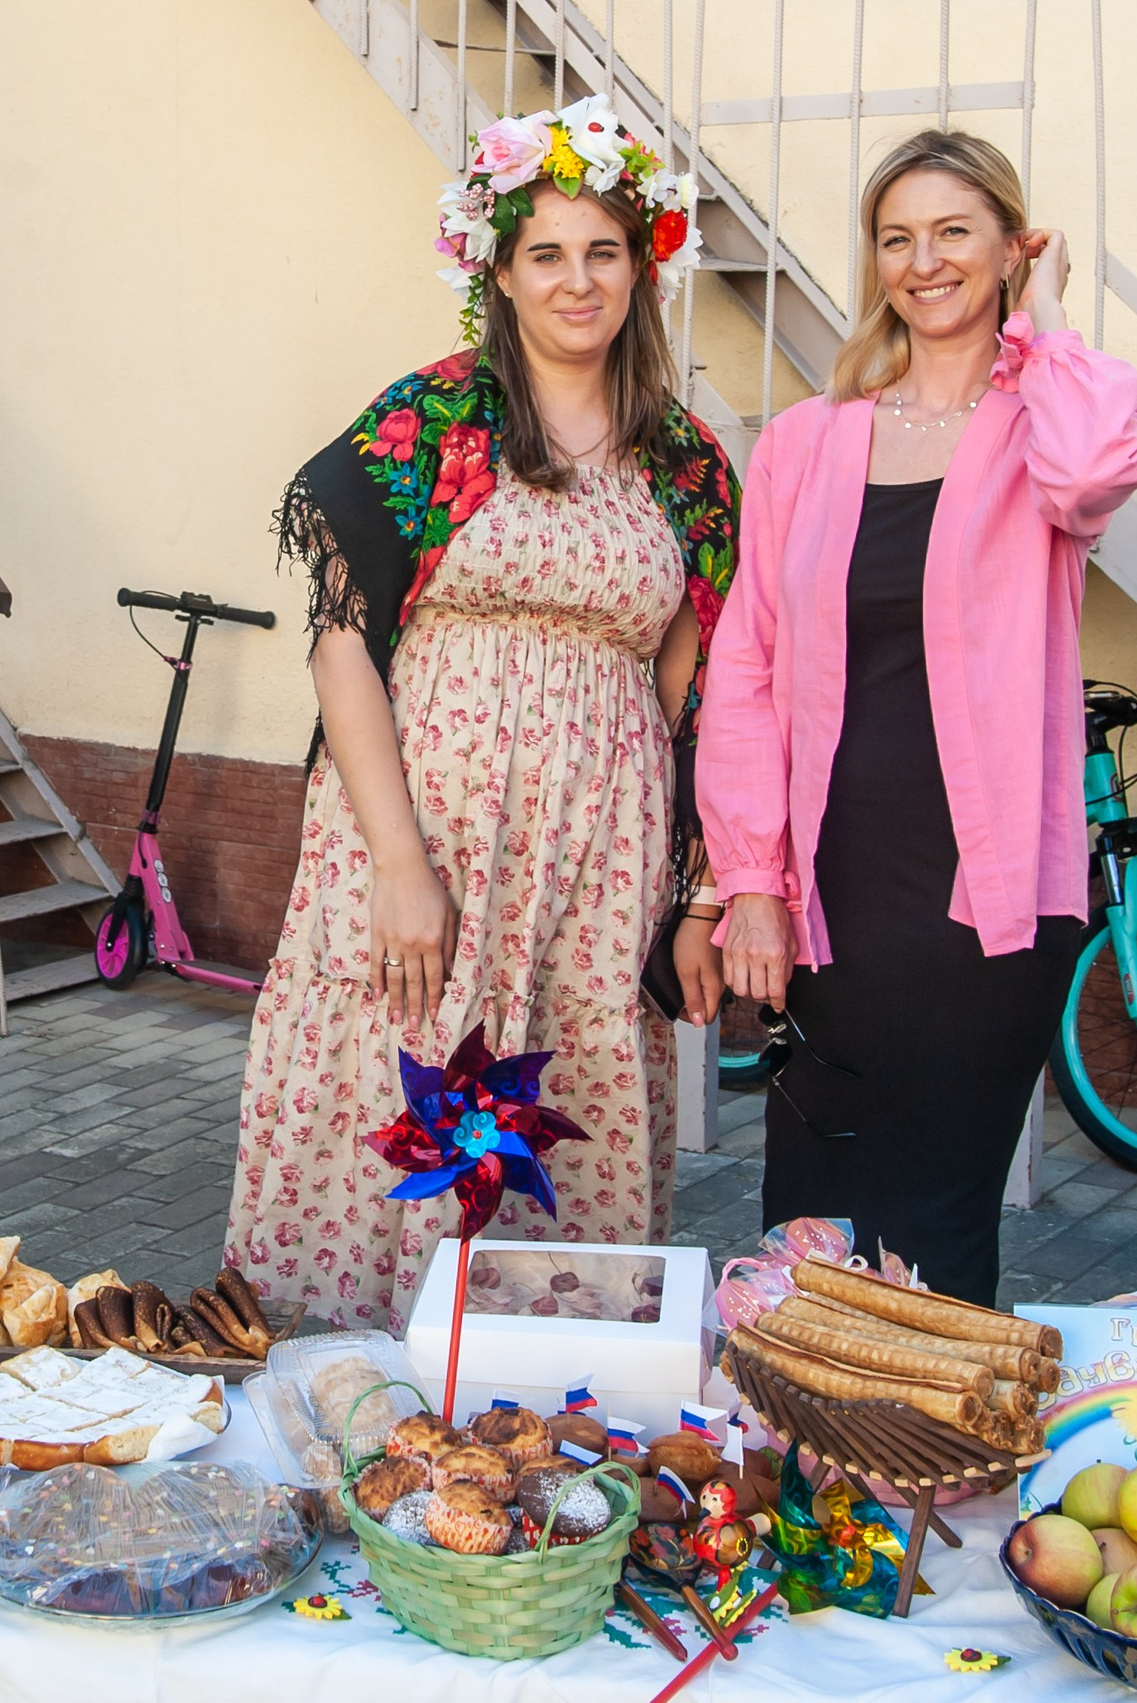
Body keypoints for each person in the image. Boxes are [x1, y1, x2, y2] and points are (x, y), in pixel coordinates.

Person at [229, 97, 737, 1332]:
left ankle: (539, 1401)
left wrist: (700, 891)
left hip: (595, 869)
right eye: (545, 254)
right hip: (424, 842)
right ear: (499, 273)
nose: (577, 280)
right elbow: (341, 648)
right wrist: (401, 865)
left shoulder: (685, 466)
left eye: (603, 251)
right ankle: (351, 1384)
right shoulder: (436, 421)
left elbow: (697, 701)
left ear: (642, 266)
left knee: (564, 1117)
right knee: (392, 1097)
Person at [695, 129, 1137, 1307]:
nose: (925, 260)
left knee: (936, 1223)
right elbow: (744, 665)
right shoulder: (806, 442)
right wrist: (749, 878)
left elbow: (1098, 467)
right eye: (897, 237)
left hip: (982, 904)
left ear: (1010, 247)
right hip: (828, 888)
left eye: (955, 231)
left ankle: (936, 1427)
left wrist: (1046, 318)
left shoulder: (1037, 433)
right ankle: (807, 1422)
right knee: (810, 1220)